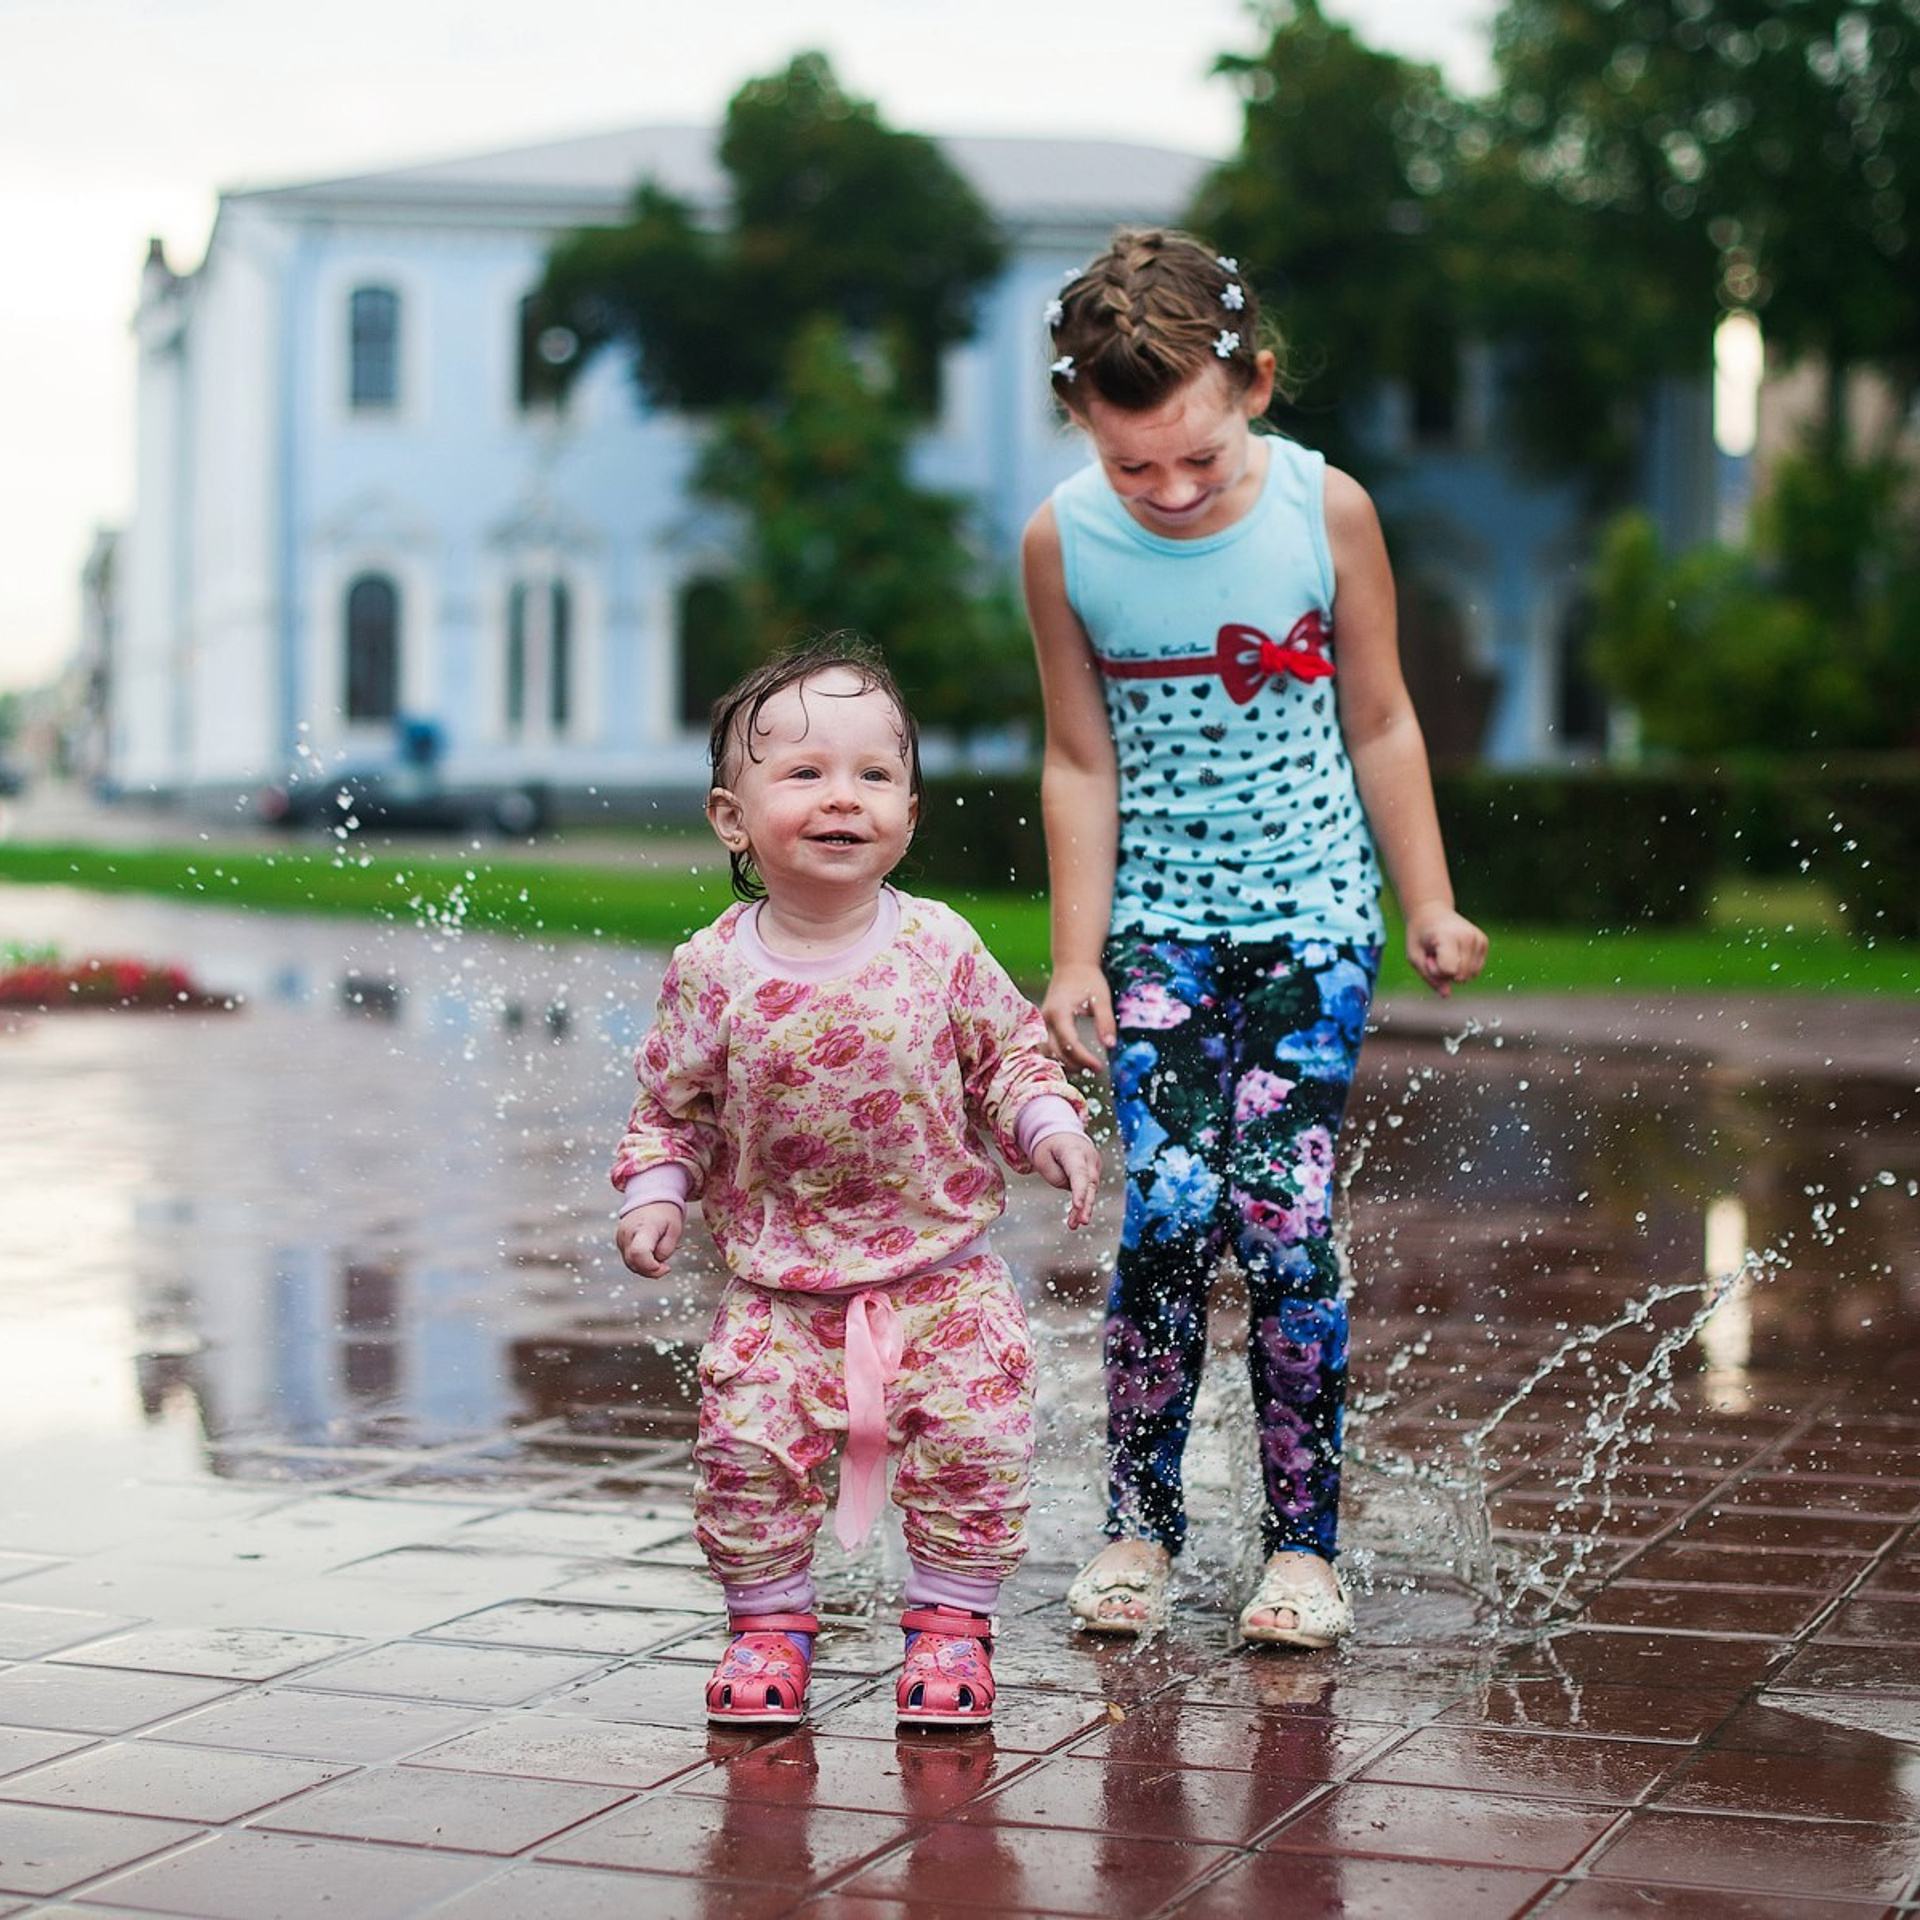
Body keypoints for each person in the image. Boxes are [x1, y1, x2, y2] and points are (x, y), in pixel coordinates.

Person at [1022, 228, 1487, 1649]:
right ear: (1083, 428)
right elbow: (1078, 759)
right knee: (1164, 1218)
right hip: (1157, 928)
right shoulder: (1062, 543)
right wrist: (1076, 954)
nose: (1166, 491)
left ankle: (1302, 1552)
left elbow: (1383, 717)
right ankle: (1139, 1531)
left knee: (1283, 1223)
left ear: (1258, 387)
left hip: (1307, 920)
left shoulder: (1321, 512)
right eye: (1131, 465)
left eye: (1196, 460)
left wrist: (1427, 897)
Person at [611, 639, 1102, 1726]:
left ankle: (950, 1634)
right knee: (746, 1462)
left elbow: (1006, 1058)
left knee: (974, 1455)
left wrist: (1051, 1123)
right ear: (731, 818)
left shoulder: (938, 946)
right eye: (805, 774)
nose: (844, 799)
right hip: (779, 1292)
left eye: (873, 776)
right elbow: (674, 1107)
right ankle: (770, 1631)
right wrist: (654, 1192)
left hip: (943, 1278)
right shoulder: (715, 969)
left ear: (910, 812)